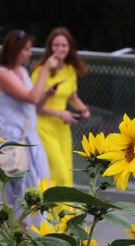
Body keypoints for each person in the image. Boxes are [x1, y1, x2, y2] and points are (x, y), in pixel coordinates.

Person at [0, 29, 58, 217]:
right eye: (26, 49)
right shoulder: (2, 74)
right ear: (15, 50)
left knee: (37, 191)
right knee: (17, 195)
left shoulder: (21, 71)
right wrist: (45, 68)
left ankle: (34, 235)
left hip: (29, 138)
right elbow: (31, 97)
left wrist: (46, 95)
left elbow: (32, 106)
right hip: (13, 142)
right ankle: (19, 236)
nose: (30, 53)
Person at [31, 27, 90, 187]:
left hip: (62, 128)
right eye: (56, 45)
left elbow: (72, 96)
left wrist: (83, 109)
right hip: (43, 127)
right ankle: (50, 212)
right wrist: (60, 113)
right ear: (50, 47)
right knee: (59, 174)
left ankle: (67, 212)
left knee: (67, 176)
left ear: (69, 47)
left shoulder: (70, 70)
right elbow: (35, 105)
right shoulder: (39, 71)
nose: (60, 49)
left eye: (63, 45)